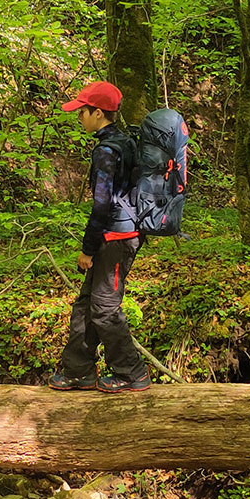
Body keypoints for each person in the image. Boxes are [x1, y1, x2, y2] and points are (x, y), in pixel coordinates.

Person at [51, 81, 152, 393]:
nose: (79, 116)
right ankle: (77, 369)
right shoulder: (126, 141)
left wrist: (88, 248)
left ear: (98, 112)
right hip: (119, 235)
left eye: (83, 111)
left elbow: (101, 205)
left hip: (117, 240)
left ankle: (132, 373)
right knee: (86, 304)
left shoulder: (106, 152)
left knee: (104, 308)